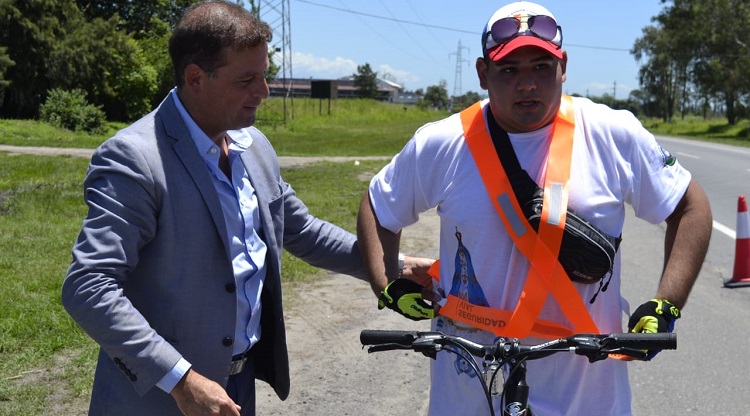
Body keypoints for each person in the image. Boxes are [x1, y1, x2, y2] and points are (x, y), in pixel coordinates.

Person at [61, 2, 431, 415]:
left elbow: (302, 231)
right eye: (246, 80)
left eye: (264, 74)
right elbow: (88, 287)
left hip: (237, 385)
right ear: (195, 78)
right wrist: (181, 379)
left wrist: (394, 265)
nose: (264, 91)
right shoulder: (135, 159)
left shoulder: (253, 147)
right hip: (161, 397)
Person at [357, 1, 712, 415]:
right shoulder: (441, 143)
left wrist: (666, 303)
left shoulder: (613, 134)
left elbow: (691, 207)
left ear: (564, 67)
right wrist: (387, 285)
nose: (527, 84)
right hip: (467, 391)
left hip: (586, 398)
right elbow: (377, 207)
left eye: (542, 67)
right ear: (483, 73)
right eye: (509, 70)